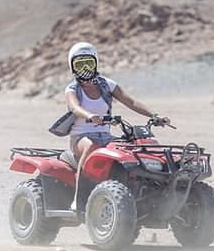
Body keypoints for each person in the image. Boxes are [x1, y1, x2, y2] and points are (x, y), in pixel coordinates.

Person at [64, 42, 169, 210]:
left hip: (106, 137)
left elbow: (131, 101)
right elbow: (74, 107)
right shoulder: (72, 89)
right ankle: (79, 199)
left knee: (137, 147)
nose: (85, 68)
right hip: (81, 138)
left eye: (88, 63)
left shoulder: (107, 84)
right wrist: (89, 115)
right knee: (91, 146)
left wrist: (154, 115)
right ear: (72, 66)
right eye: (79, 64)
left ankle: (154, 192)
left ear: (96, 63)